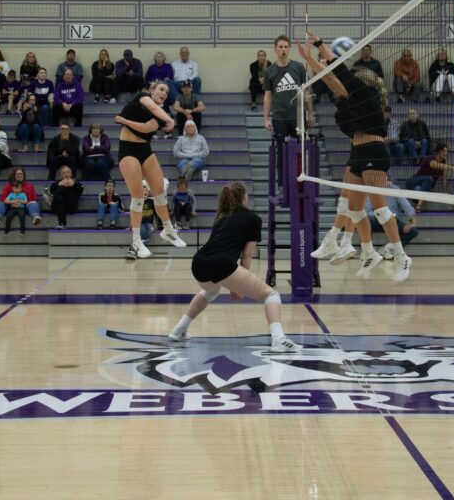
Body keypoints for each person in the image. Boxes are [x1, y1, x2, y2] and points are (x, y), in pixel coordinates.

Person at [299, 32, 411, 281]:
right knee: (355, 209)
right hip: (358, 152)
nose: (349, 81)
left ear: (363, 82)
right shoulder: (350, 99)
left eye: (354, 79)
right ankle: (368, 252)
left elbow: (338, 72)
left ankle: (401, 255)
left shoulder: (367, 94)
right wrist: (312, 56)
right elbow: (332, 79)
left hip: (374, 151)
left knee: (380, 209)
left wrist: (316, 49)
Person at [167, 181, 301, 351]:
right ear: (243, 197)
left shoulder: (221, 216)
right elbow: (247, 255)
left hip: (199, 263)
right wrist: (238, 287)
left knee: (211, 290)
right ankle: (279, 339)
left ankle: (179, 329)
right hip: (222, 264)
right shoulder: (253, 219)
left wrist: (235, 283)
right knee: (271, 295)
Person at [114, 80, 186, 258]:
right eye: (161, 89)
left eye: (167, 92)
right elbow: (153, 109)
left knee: (160, 190)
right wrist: (169, 119)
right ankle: (136, 242)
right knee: (138, 196)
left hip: (145, 149)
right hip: (128, 150)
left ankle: (168, 230)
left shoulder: (162, 115)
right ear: (152, 91)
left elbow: (147, 128)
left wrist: (126, 121)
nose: (164, 93)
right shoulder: (143, 97)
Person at [263, 34, 313, 189]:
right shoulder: (269, 71)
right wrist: (266, 118)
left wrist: (310, 114)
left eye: (285, 47)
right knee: (281, 153)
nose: (283, 50)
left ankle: (302, 183)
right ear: (275, 49)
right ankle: (282, 187)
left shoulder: (298, 67)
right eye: (280, 47)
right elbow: (268, 96)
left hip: (297, 117)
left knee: (301, 151)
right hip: (280, 118)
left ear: (289, 49)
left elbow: (306, 93)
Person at [366, 182, 419, 256]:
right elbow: (368, 211)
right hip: (377, 220)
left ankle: (388, 248)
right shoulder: (372, 190)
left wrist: (412, 222)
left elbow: (407, 206)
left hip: (393, 221)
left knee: (413, 231)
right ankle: (368, 251)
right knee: (367, 220)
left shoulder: (394, 188)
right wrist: (382, 215)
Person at [405, 143, 454, 211]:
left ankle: (418, 204)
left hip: (424, 187)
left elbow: (444, 177)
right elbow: (435, 165)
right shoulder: (430, 158)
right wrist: (452, 167)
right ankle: (419, 205)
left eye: (447, 151)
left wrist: (445, 192)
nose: (446, 153)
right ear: (439, 151)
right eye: (444, 151)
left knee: (420, 188)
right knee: (429, 178)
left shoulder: (443, 162)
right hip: (413, 181)